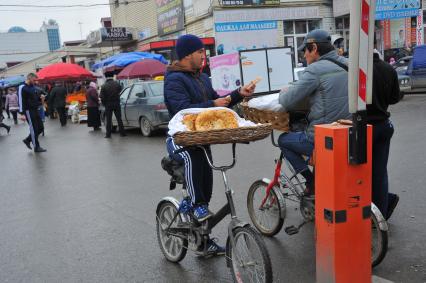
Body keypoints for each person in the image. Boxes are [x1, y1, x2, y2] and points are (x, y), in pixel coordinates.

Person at [164, 34, 255, 255]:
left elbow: (216, 104)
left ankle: (204, 242)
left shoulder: (202, 78)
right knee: (192, 161)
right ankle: (196, 206)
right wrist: (211, 104)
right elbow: (182, 110)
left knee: (207, 186)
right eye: (199, 52)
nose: (203, 56)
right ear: (187, 55)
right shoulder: (174, 79)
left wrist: (236, 95)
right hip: (180, 140)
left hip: (201, 140)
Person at [278, 29, 351, 196]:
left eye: (305, 51)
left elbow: (286, 101)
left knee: (283, 140)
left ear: (314, 48)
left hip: (322, 139)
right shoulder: (347, 64)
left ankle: (311, 183)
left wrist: (284, 91)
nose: (304, 56)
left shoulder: (315, 70)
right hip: (348, 134)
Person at [368, 48, 402, 220]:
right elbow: (395, 98)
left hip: (364, 128)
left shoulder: (358, 70)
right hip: (384, 125)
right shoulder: (389, 69)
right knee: (380, 173)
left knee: (360, 172)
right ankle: (380, 214)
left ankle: (366, 212)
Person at [18, 73, 46, 152]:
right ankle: (36, 147)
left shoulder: (32, 87)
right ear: (29, 78)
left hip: (35, 109)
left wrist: (41, 99)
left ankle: (27, 140)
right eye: (34, 80)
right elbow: (20, 100)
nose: (35, 82)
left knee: (40, 128)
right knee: (34, 129)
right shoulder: (22, 87)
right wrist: (22, 114)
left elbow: (36, 99)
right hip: (28, 111)